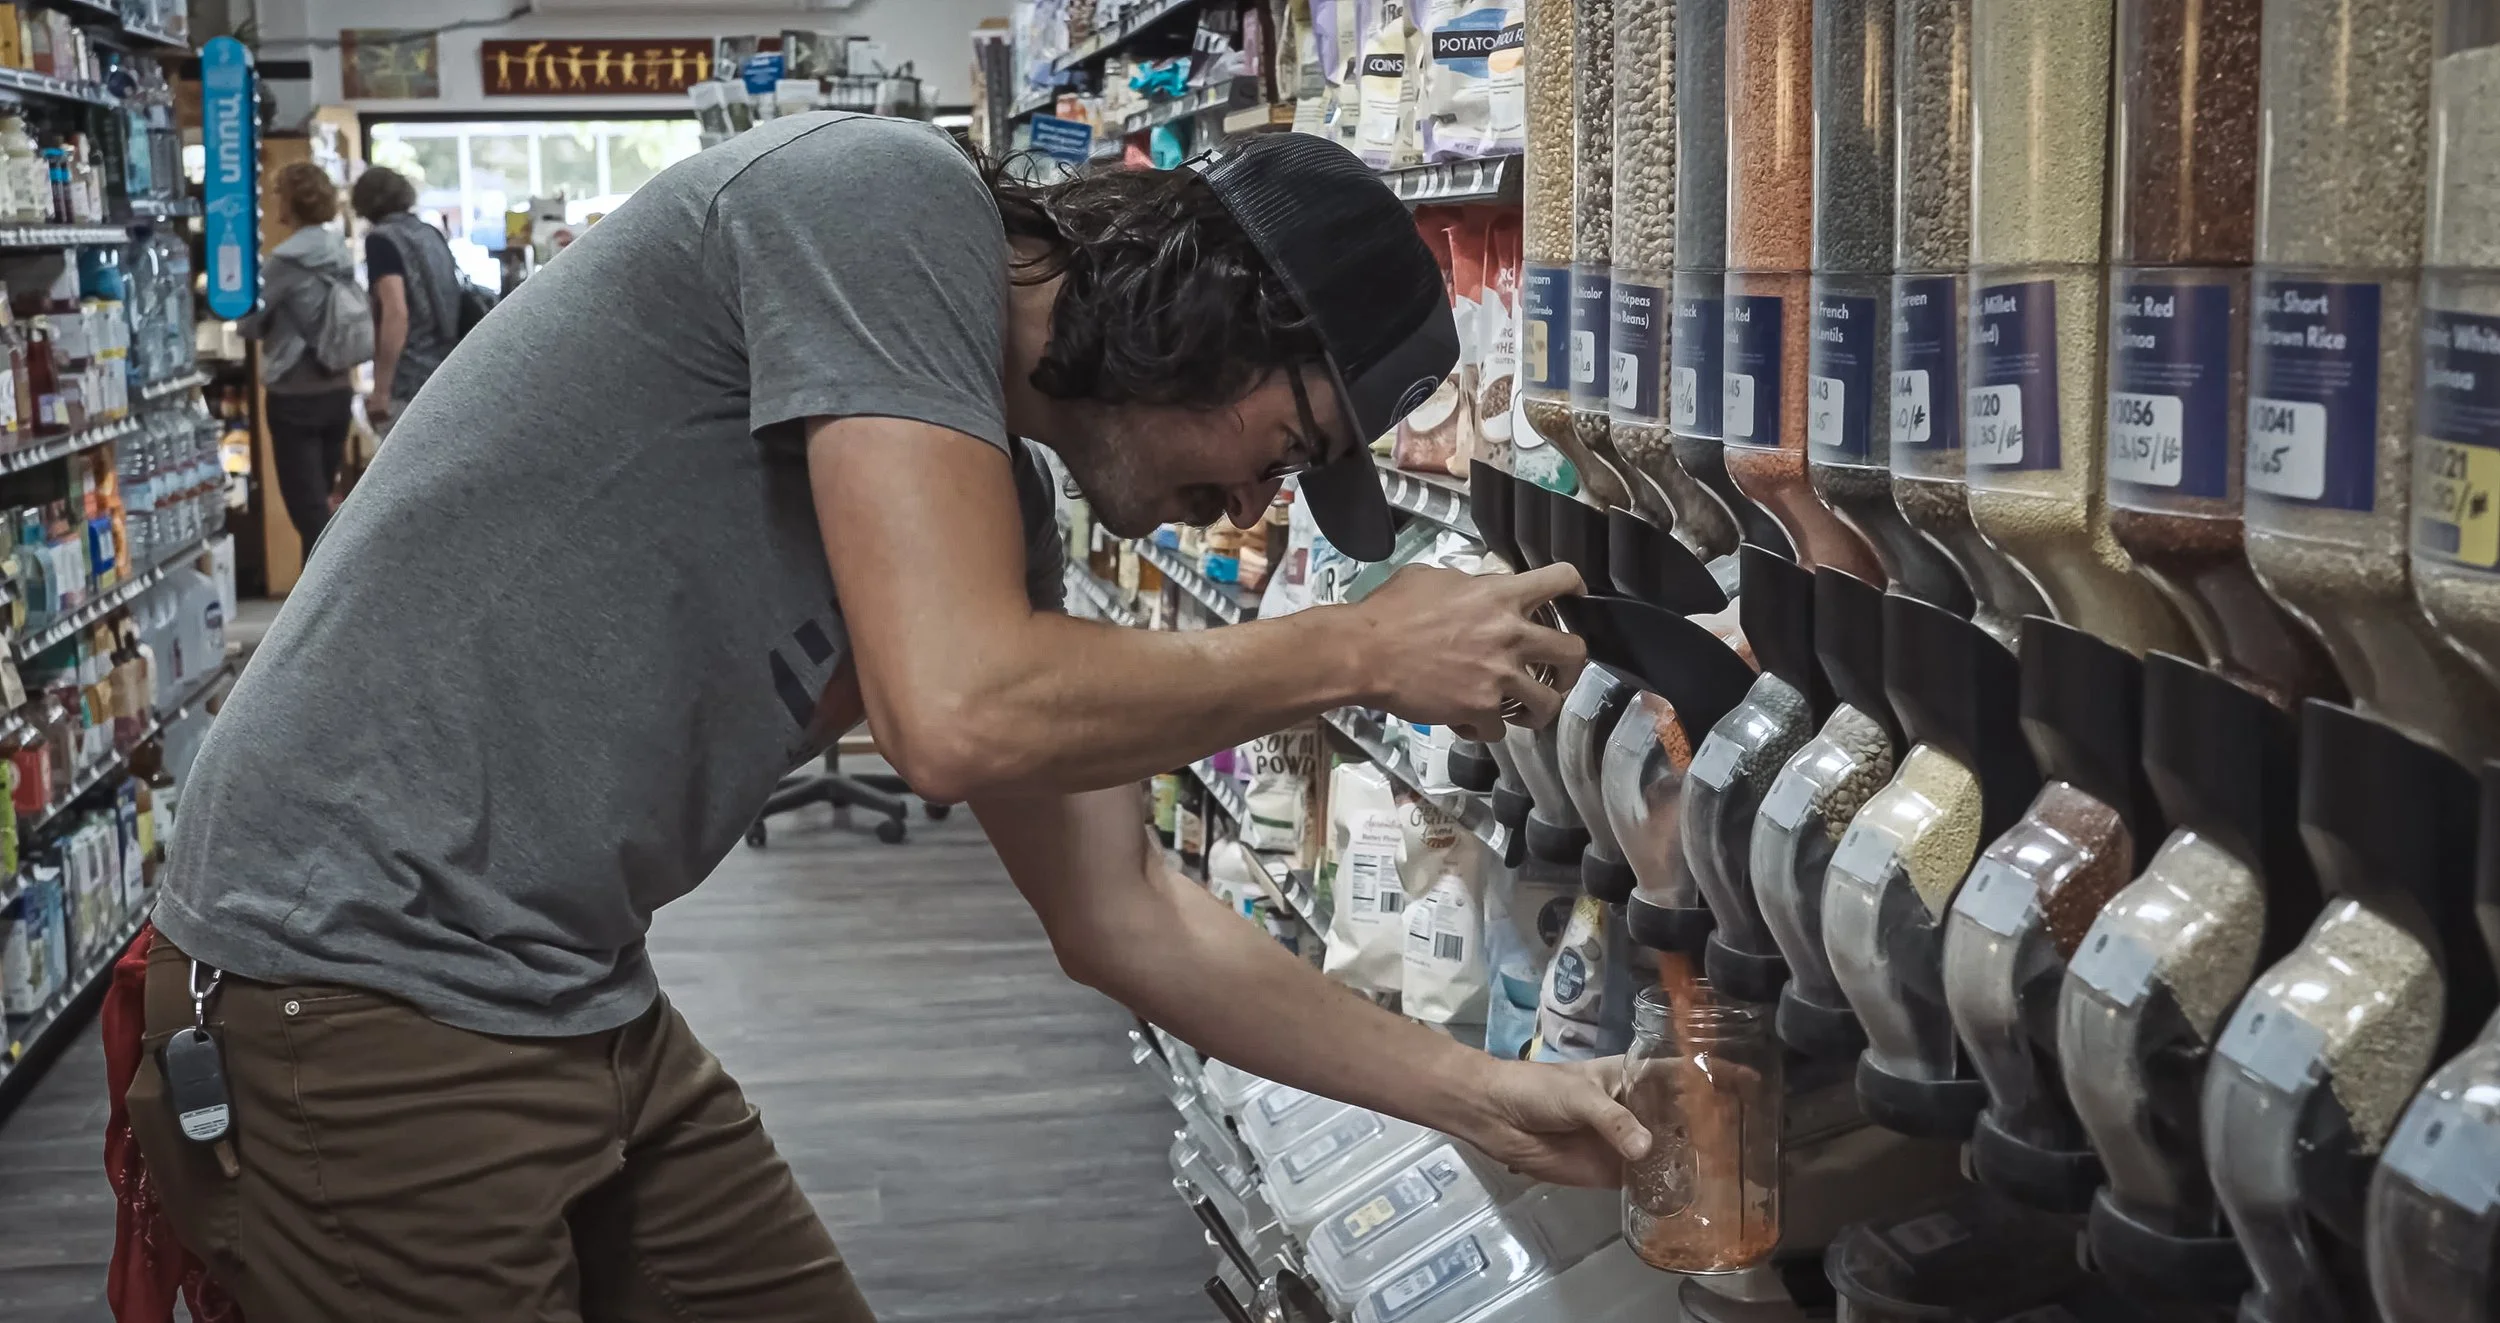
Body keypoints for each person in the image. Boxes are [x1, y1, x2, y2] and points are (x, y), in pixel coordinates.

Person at [124, 115, 1612, 1321]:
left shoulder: (999, 498)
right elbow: (954, 712)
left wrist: (1478, 1093)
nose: (1249, 506)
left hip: (561, 979)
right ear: (1215, 308)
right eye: (1284, 447)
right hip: (348, 981)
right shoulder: (882, 204)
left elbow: (1123, 911)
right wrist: (1354, 646)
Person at [239, 162, 368, 552]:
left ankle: (329, 591)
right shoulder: (339, 252)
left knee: (306, 509)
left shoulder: (283, 262)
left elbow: (248, 322)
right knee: (323, 497)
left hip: (294, 394)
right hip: (337, 387)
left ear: (290, 202)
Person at [348, 165, 461, 435]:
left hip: (408, 377)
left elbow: (395, 312)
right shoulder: (429, 233)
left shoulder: (381, 240)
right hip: (445, 367)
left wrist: (382, 390)